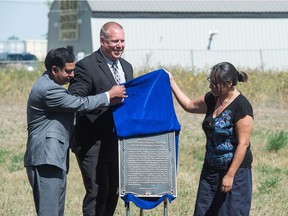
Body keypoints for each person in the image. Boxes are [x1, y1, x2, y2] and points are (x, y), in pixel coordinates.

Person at [24, 47, 127, 216]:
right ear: (54, 69)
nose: (72, 76)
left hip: (53, 158)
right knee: (49, 212)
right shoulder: (49, 90)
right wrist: (108, 95)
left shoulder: (49, 84)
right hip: (46, 159)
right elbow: (79, 103)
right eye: (68, 71)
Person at [168, 62, 253, 216]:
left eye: (215, 84)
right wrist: (172, 82)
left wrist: (230, 175)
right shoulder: (213, 99)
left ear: (228, 83)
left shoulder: (242, 106)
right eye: (210, 81)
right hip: (210, 171)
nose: (211, 87)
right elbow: (189, 105)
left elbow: (243, 144)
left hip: (234, 173)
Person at [68, 21, 133, 216]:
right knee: (97, 191)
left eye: (122, 41)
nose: (119, 45)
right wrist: (107, 97)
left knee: (113, 189)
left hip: (116, 141)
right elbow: (75, 101)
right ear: (102, 41)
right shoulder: (85, 67)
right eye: (114, 41)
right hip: (91, 142)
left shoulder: (127, 67)